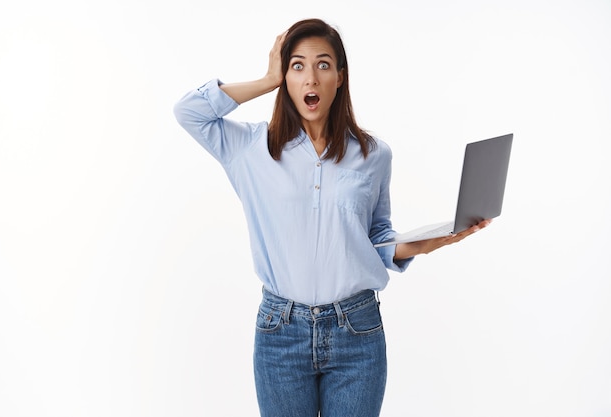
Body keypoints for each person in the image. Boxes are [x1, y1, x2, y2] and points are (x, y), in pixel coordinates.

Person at [174, 18, 490, 417]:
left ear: (340, 77)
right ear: (286, 77)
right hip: (280, 333)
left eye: (323, 65)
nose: (311, 78)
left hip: (356, 332)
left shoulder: (374, 154)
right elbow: (188, 112)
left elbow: (376, 239)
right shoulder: (250, 148)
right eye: (297, 66)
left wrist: (437, 239)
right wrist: (266, 79)